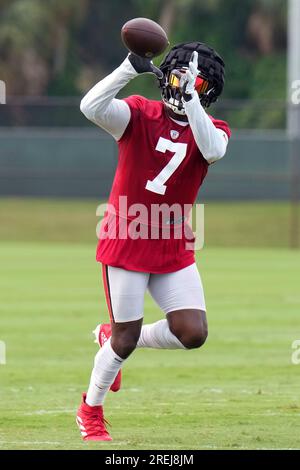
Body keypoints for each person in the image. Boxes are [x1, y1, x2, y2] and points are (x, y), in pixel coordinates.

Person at [76, 42, 231, 441]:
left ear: (208, 90)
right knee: (125, 339)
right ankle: (90, 409)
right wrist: (130, 68)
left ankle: (110, 336)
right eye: (178, 77)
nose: (183, 87)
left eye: (194, 82)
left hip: (172, 241)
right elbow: (91, 107)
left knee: (193, 332)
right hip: (128, 236)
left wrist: (193, 102)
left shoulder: (213, 129)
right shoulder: (141, 113)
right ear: (166, 76)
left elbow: (211, 149)